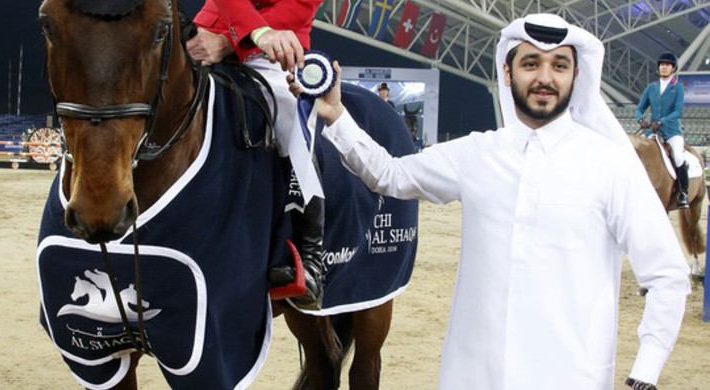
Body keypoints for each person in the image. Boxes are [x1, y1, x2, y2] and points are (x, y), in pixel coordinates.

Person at [290, 13, 690, 390]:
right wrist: (336, 115)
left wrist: (646, 371)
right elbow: (389, 175)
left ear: (576, 75)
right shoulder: (479, 154)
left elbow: (667, 274)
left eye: (559, 66)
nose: (544, 78)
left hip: (569, 375)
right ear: (507, 70)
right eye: (531, 64)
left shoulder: (611, 165)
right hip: (472, 374)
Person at [186, 0, 327, 310]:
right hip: (207, 31)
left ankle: (309, 254)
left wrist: (240, 39)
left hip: (273, 46)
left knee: (291, 118)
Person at [635, 52, 688, 208]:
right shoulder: (651, 87)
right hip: (652, 131)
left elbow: (678, 111)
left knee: (678, 156)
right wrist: (641, 120)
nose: (664, 67)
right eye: (662, 65)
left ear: (673, 68)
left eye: (667, 65)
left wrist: (662, 121)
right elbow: (639, 108)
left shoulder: (677, 87)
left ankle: (683, 192)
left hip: (671, 131)